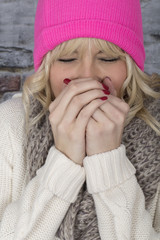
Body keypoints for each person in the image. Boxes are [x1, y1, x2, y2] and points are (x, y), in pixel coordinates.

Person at [0, 0, 160, 239]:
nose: (87, 76)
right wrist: (64, 159)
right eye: (67, 59)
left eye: (107, 58)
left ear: (130, 66)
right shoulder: (10, 125)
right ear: (46, 66)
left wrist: (108, 160)